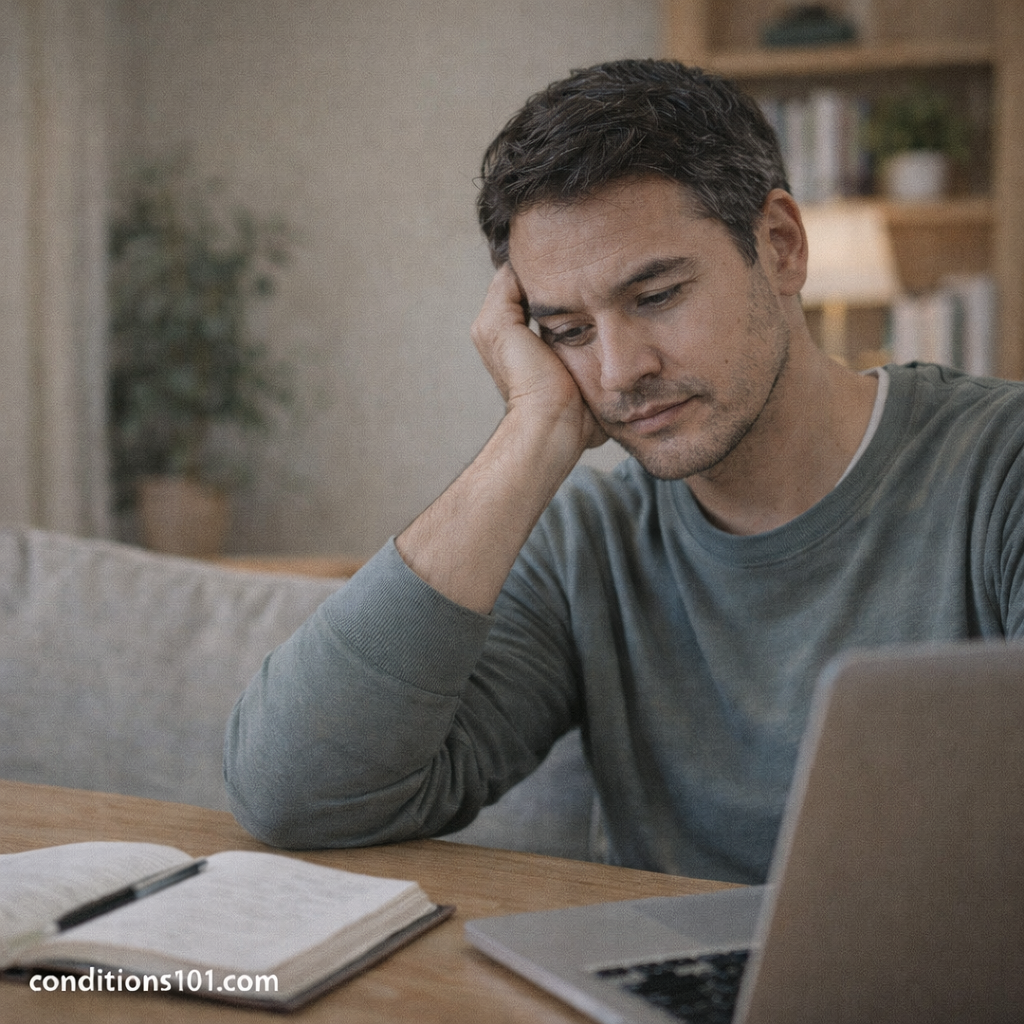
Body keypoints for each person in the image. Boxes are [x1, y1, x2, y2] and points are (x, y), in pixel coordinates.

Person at [224, 59, 1024, 884]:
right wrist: (531, 435)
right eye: (567, 330)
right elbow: (295, 793)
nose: (617, 371)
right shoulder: (589, 547)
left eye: (656, 296)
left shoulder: (1002, 470)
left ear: (780, 247)